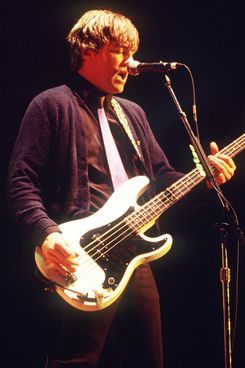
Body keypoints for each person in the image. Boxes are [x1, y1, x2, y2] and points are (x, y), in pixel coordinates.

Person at [6, 9, 236, 368]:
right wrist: (46, 233)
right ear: (88, 50)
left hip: (132, 257)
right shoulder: (52, 104)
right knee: (75, 359)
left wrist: (206, 180)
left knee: (149, 359)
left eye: (132, 53)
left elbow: (162, 179)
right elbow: (20, 183)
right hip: (78, 256)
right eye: (121, 51)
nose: (131, 63)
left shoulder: (133, 114)